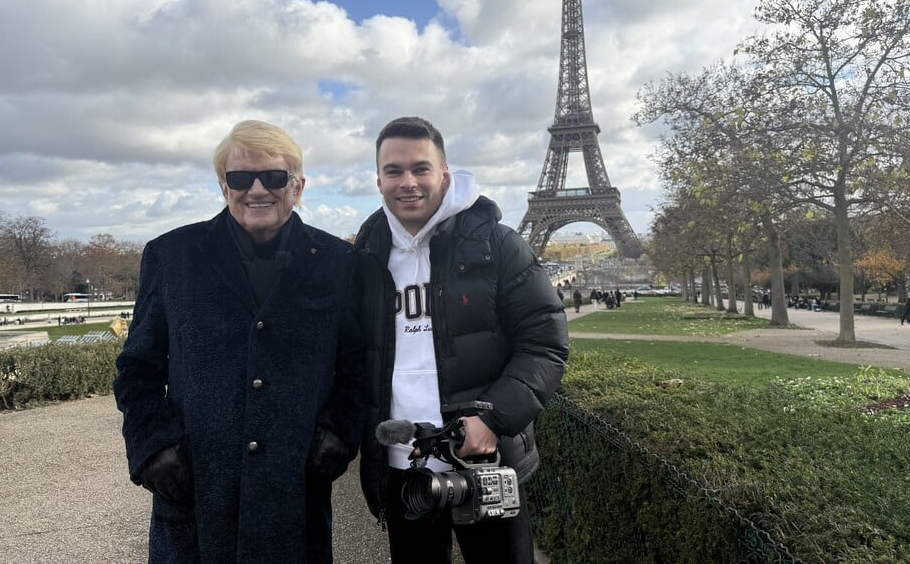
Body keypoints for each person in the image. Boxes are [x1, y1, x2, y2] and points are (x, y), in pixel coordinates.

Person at [113, 120, 364, 562]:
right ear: (223, 186)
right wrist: (152, 446)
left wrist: (341, 432)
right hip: (196, 492)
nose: (257, 190)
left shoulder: (339, 264)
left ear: (298, 185)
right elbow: (137, 368)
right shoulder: (171, 256)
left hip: (293, 493)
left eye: (273, 177)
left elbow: (356, 365)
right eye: (241, 178)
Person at [353, 116, 569, 564]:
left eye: (420, 168)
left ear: (445, 174)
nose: (407, 182)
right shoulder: (364, 257)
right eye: (393, 171)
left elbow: (544, 343)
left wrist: (491, 419)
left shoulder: (498, 244)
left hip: (484, 461)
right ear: (378, 180)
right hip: (402, 465)